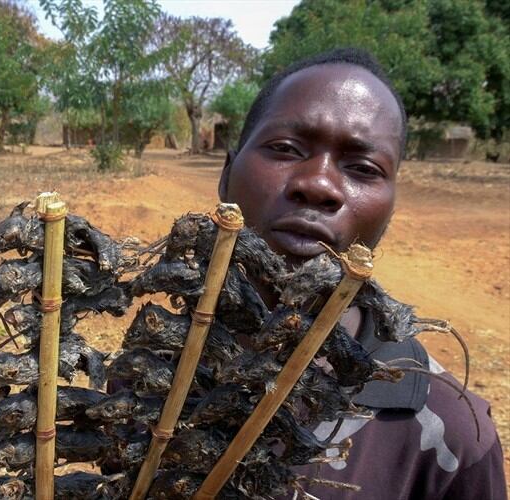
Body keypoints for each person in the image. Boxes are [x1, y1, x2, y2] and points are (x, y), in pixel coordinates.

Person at [217, 47, 506, 499]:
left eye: (362, 168)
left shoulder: (450, 437)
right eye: (286, 149)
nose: (317, 184)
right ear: (227, 173)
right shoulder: (156, 368)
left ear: (389, 210)